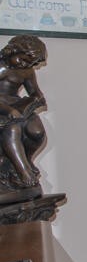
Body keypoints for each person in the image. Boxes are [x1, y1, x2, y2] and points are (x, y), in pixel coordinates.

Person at [0, 35, 48, 201]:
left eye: (30, 63)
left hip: (19, 107)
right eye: (22, 59)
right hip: (2, 109)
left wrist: (35, 101)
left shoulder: (26, 70)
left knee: (37, 132)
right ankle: (23, 171)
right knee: (12, 130)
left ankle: (22, 163)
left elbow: (36, 93)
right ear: (13, 50)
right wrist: (8, 110)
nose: (24, 64)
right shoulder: (1, 67)